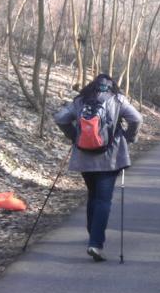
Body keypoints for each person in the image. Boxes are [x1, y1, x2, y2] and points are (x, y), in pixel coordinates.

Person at [54, 74, 142, 262]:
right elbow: (137, 119)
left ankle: (93, 234)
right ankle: (95, 242)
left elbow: (61, 118)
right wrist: (129, 137)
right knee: (103, 199)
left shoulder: (81, 100)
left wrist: (75, 136)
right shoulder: (118, 99)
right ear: (112, 86)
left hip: (85, 156)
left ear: (93, 85)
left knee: (93, 195)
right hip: (110, 157)